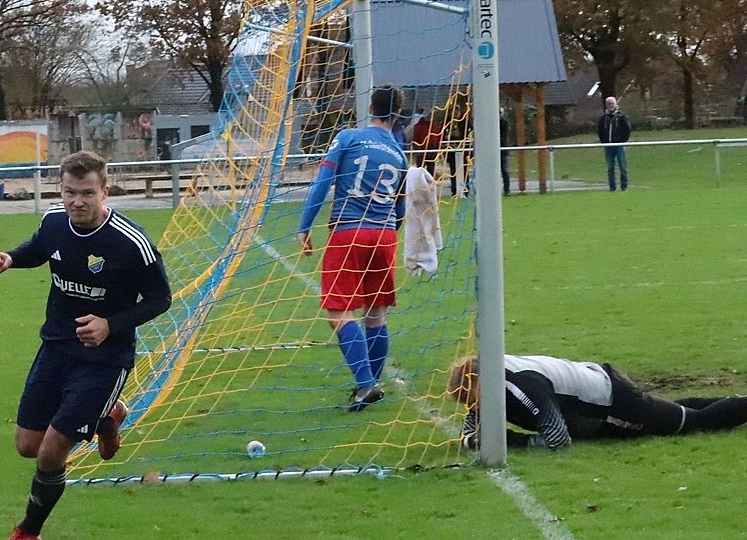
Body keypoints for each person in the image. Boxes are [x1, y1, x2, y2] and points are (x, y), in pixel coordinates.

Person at [0, 150, 172, 540]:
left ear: (105, 190)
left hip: (105, 359)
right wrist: (10, 259)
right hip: (55, 347)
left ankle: (27, 532)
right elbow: (39, 249)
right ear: (61, 189)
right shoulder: (55, 220)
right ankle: (109, 416)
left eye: (87, 193)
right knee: (27, 445)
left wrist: (110, 325)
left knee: (52, 451)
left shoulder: (130, 242)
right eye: (70, 192)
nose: (77, 202)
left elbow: (160, 299)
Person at [298, 84, 408, 412]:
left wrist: (304, 226)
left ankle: (365, 383)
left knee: (338, 312)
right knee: (375, 314)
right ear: (398, 113)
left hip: (349, 233)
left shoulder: (348, 138)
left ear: (370, 107)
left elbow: (321, 183)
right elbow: (400, 210)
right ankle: (369, 387)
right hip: (385, 236)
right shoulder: (400, 154)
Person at [448, 354, 747, 450]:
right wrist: (475, 437)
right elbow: (471, 434)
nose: (471, 408)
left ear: (478, 384)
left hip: (611, 403)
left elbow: (558, 439)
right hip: (600, 383)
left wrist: (508, 442)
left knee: (691, 422)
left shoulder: (522, 385)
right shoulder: (492, 369)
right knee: (678, 410)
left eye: (469, 399)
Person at [597, 96, 632, 191]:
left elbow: (627, 130)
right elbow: (600, 131)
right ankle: (612, 188)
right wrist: (604, 141)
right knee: (610, 168)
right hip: (608, 146)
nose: (610, 105)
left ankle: (624, 187)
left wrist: (623, 140)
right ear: (606, 105)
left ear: (616, 104)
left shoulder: (622, 116)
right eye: (608, 104)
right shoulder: (603, 118)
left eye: (612, 103)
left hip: (619, 145)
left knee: (623, 167)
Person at [445, 104, 470, 197]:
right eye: (453, 111)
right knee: (453, 171)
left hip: (463, 150)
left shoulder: (464, 122)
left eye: (457, 111)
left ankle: (466, 189)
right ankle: (454, 191)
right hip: (452, 150)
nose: (455, 113)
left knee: (464, 170)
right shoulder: (447, 123)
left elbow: (467, 135)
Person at [411, 108, 443, 176]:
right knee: (420, 173)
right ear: (424, 115)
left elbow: (438, 138)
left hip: (432, 153)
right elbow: (415, 139)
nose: (429, 116)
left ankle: (429, 186)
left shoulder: (435, 126)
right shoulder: (418, 126)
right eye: (428, 114)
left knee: (431, 173)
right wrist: (417, 150)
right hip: (421, 153)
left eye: (431, 114)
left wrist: (437, 150)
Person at [500, 107, 511, 196]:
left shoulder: (504, 123)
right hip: (494, 151)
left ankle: (507, 189)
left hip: (502, 150)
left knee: (504, 170)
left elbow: (503, 136)